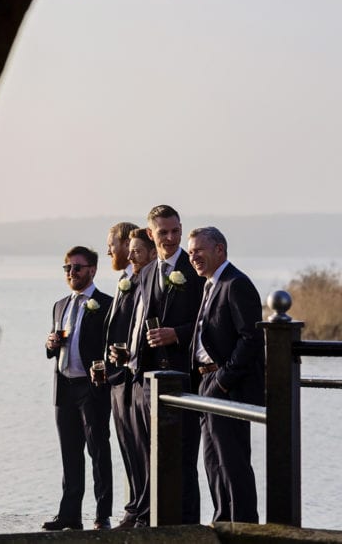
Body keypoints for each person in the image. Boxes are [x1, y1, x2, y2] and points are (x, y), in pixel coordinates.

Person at [122, 205, 203, 527]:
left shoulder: (193, 268)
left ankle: (188, 526)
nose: (170, 238)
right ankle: (156, 521)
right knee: (152, 456)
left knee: (183, 458)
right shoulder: (148, 270)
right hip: (147, 379)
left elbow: (204, 321)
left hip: (182, 378)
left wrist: (176, 334)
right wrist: (129, 358)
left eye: (175, 231)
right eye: (163, 233)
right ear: (150, 234)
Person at [186, 227, 263, 523]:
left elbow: (251, 338)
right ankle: (222, 520)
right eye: (190, 252)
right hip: (205, 382)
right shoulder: (209, 284)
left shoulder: (236, 284)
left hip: (226, 385)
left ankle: (243, 525)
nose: (193, 257)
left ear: (220, 250)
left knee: (232, 461)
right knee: (212, 460)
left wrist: (223, 380)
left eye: (198, 251)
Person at [43, 246, 114, 531]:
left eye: (77, 268)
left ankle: (102, 515)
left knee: (98, 452)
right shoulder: (60, 305)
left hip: (91, 387)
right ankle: (69, 515)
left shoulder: (106, 304)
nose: (72, 273)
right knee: (70, 453)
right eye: (67, 268)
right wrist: (50, 345)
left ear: (92, 270)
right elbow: (54, 346)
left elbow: (112, 348)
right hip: (64, 388)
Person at [101, 223, 144, 528]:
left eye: (111, 244)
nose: (109, 251)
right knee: (126, 446)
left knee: (139, 447)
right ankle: (134, 508)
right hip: (116, 375)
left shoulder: (142, 279)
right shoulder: (123, 279)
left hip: (132, 376)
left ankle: (141, 511)